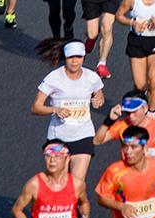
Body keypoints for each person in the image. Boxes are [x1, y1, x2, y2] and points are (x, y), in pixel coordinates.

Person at [31, 41, 105, 193]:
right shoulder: (53, 78)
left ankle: (76, 215)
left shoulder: (92, 77)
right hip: (59, 137)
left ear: (84, 58)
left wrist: (98, 101)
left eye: (78, 57)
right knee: (60, 182)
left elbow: (99, 95)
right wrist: (54, 109)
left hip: (84, 134)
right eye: (71, 57)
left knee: (77, 182)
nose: (75, 61)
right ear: (65, 57)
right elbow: (35, 107)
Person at [95, 91, 155, 165]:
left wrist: (153, 159)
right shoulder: (122, 125)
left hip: (153, 176)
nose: (131, 116)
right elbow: (97, 141)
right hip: (129, 175)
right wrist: (109, 120)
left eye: (134, 111)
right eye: (128, 113)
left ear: (145, 108)